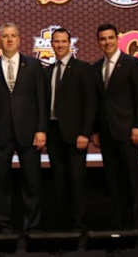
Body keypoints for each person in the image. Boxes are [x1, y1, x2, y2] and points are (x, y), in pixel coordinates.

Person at [0, 23, 47, 233]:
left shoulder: (33, 65)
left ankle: (32, 225)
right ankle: (2, 223)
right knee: (0, 182)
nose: (9, 40)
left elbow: (41, 99)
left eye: (13, 35)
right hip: (0, 133)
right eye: (5, 36)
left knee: (32, 181)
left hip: (29, 132)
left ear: (19, 39)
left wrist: (41, 129)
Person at [92, 23, 138, 231]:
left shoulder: (132, 63)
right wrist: (95, 130)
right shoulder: (96, 67)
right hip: (106, 134)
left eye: (110, 38)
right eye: (103, 39)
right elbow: (96, 103)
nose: (107, 42)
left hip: (129, 132)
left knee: (134, 182)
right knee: (114, 183)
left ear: (118, 39)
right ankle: (119, 225)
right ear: (99, 42)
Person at [46, 28, 96, 231]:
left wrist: (85, 132)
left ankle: (78, 224)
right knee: (58, 180)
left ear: (70, 43)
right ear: (51, 44)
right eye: (56, 41)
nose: (59, 45)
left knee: (76, 180)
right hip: (53, 132)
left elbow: (90, 103)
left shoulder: (83, 69)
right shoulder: (47, 70)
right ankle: (63, 224)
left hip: (76, 135)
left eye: (63, 41)